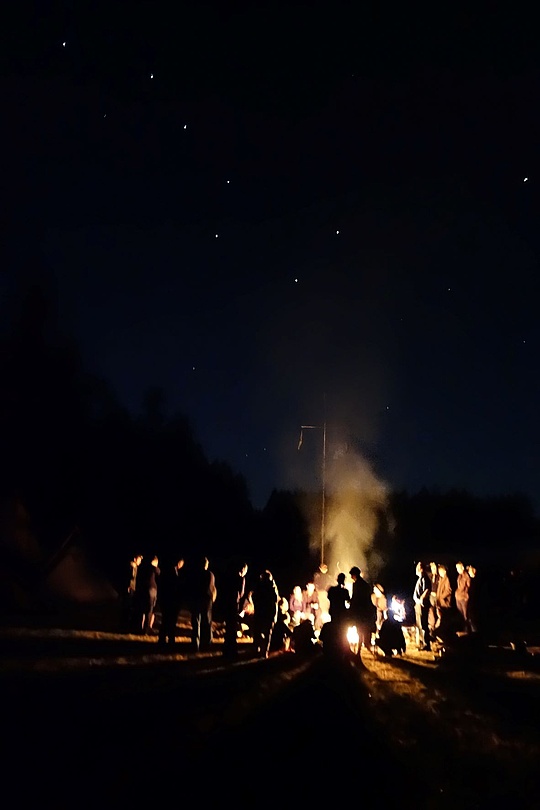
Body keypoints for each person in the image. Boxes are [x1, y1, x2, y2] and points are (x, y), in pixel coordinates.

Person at [188, 555, 217, 652]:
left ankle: (195, 644)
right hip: (206, 600)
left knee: (196, 622)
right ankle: (207, 643)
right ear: (205, 564)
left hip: (196, 599)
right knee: (207, 622)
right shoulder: (210, 574)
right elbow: (211, 588)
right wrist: (212, 598)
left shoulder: (194, 574)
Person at [221, 559, 248, 659]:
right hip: (234, 605)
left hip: (227, 604)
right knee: (232, 629)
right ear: (243, 569)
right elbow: (241, 593)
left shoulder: (229, 577)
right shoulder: (241, 579)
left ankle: (226, 649)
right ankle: (232, 650)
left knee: (228, 628)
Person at [251, 569, 280, 658]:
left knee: (258, 632)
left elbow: (254, 597)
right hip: (268, 613)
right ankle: (263, 651)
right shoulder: (272, 587)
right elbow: (275, 600)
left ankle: (258, 650)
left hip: (262, 612)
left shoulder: (260, 586)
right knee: (266, 633)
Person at [158, 556, 185, 648]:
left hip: (167, 600)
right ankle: (169, 639)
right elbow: (174, 587)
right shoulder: (173, 573)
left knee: (166, 620)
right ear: (179, 563)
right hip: (171, 600)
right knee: (170, 621)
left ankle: (164, 639)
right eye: (182, 563)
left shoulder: (167, 572)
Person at [349, 566, 375, 654]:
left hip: (360, 611)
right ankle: (365, 646)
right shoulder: (366, 584)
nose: (351, 577)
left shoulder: (356, 584)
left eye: (351, 575)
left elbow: (355, 598)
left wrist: (350, 606)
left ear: (354, 575)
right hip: (366, 610)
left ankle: (359, 650)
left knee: (360, 630)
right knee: (364, 630)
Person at [136, 554, 160, 634]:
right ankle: (146, 629)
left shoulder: (142, 568)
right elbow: (158, 572)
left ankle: (139, 627)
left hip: (143, 589)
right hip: (151, 590)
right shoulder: (153, 568)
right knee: (149, 609)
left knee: (142, 609)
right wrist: (155, 566)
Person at [413, 562, 431, 651]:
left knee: (423, 624)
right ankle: (422, 642)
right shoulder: (421, 578)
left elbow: (427, 590)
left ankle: (426, 644)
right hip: (419, 605)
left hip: (422, 605)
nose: (416, 569)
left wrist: (421, 599)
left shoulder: (424, 578)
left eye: (417, 568)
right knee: (420, 624)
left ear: (421, 569)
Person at [125, 553, 143, 631]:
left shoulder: (135, 567)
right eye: (139, 559)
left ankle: (128, 624)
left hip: (133, 588)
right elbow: (131, 577)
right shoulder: (133, 566)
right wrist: (129, 586)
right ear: (135, 559)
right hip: (131, 588)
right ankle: (125, 624)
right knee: (128, 606)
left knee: (130, 606)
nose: (140, 562)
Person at [435, 564, 453, 642]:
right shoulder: (441, 579)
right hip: (440, 603)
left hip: (445, 603)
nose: (439, 573)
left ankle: (445, 638)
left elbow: (448, 590)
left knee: (444, 620)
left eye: (440, 571)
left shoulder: (447, 579)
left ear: (444, 571)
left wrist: (441, 597)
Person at [455, 561, 471, 633]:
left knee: (465, 615)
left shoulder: (465, 576)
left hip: (464, 598)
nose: (457, 569)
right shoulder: (459, 576)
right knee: (460, 615)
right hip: (458, 597)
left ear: (462, 567)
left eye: (458, 568)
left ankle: (467, 630)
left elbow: (466, 586)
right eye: (456, 568)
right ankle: (463, 629)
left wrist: (463, 593)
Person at [428, 561, 440, 641]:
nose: (433, 570)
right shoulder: (430, 576)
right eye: (432, 568)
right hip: (431, 596)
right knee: (431, 612)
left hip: (437, 596)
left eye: (435, 568)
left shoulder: (439, 577)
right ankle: (432, 630)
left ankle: (437, 630)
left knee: (437, 612)